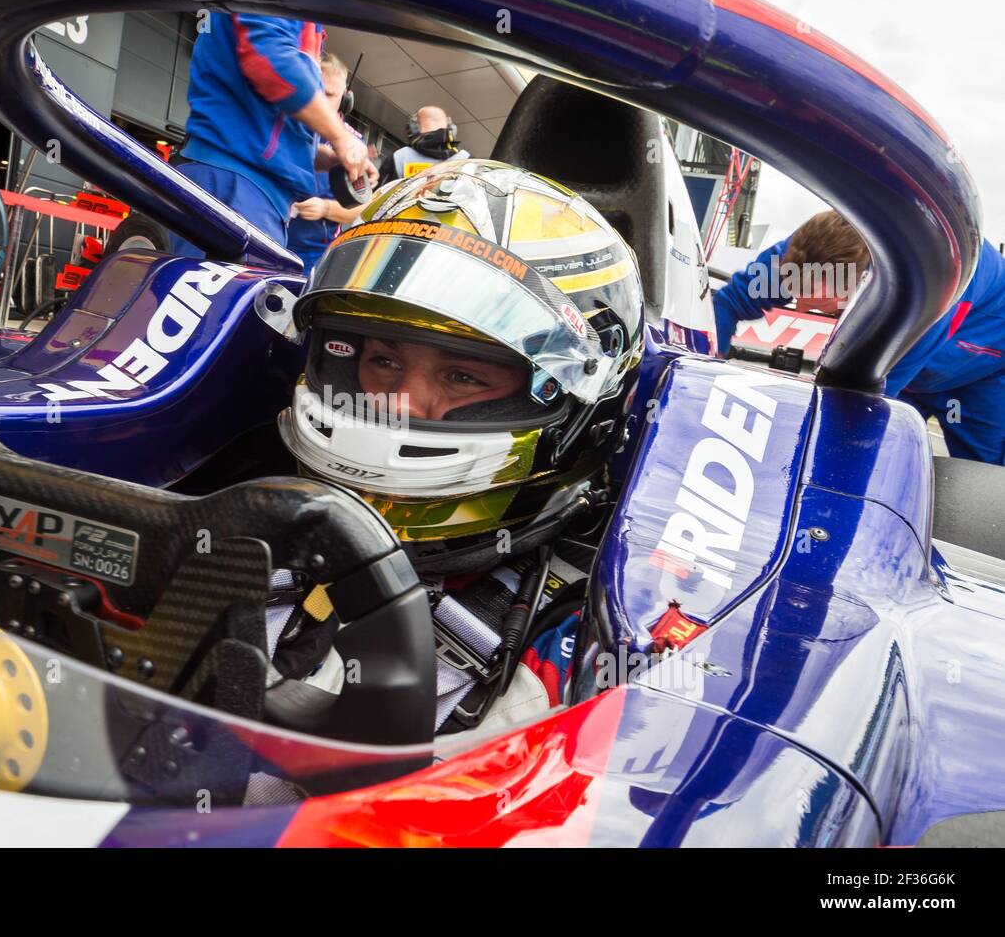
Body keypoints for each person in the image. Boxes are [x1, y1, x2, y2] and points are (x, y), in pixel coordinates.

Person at [262, 159, 647, 736]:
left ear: (577, 408)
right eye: (385, 361)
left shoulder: (583, 648)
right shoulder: (245, 531)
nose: (403, 405)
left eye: (464, 377)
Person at [714, 210, 1005, 463]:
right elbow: (727, 304)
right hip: (908, 373)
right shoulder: (798, 257)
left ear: (864, 280)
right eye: (794, 295)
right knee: (868, 460)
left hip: (977, 373)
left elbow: (864, 395)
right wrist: (711, 376)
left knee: (983, 473)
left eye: (818, 304)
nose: (801, 307)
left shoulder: (923, 287)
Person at [168, 13, 376, 258]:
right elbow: (269, 60)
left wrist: (324, 157)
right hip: (238, 187)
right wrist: (342, 137)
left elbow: (268, 121)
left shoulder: (297, 9)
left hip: (246, 188)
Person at [287, 53, 367, 273]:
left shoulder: (352, 144)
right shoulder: (284, 125)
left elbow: (360, 208)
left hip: (312, 255)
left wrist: (325, 208)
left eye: (330, 95)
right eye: (317, 91)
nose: (321, 101)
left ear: (346, 99)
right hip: (266, 234)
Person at [376, 105, 470, 185]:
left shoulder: (399, 158)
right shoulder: (467, 161)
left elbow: (378, 199)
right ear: (451, 129)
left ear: (413, 127)